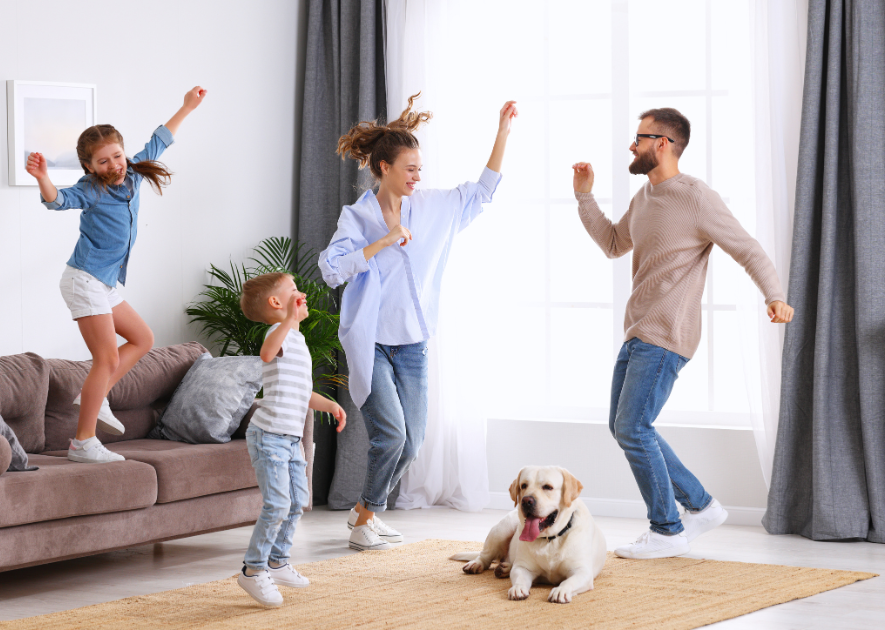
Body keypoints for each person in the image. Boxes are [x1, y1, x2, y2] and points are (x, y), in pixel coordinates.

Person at [572, 107, 794, 560]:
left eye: (640, 137)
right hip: (638, 328)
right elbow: (615, 244)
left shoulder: (696, 197)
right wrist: (585, 198)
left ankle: (667, 529)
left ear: (664, 144)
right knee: (623, 426)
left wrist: (774, 294)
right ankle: (701, 506)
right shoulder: (645, 197)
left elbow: (747, 248)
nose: (631, 145)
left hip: (667, 332)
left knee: (634, 426)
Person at [319, 94, 517, 552]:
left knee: (411, 443)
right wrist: (382, 243)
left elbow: (482, 191)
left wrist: (502, 133)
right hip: (370, 342)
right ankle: (366, 520)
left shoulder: (433, 207)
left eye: (420, 169)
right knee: (390, 435)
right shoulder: (358, 217)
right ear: (383, 167)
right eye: (409, 169)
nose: (417, 177)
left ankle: (364, 511)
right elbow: (332, 268)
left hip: (413, 345)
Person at [25, 87, 207, 464]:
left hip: (105, 282)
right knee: (105, 359)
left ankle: (98, 393)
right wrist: (43, 177)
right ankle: (83, 442)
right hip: (84, 280)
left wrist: (186, 107)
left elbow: (160, 140)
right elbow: (57, 201)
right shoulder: (90, 191)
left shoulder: (136, 175)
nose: (114, 165)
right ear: (90, 167)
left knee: (143, 338)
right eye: (103, 162)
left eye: (117, 156)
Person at [236, 272, 347, 607]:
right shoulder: (278, 333)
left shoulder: (297, 342)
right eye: (295, 291)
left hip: (291, 439)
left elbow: (300, 391)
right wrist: (285, 320)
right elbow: (267, 354)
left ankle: (278, 560)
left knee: (298, 500)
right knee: (278, 504)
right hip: (269, 436)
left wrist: (328, 404)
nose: (303, 295)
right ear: (276, 304)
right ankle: (252, 570)